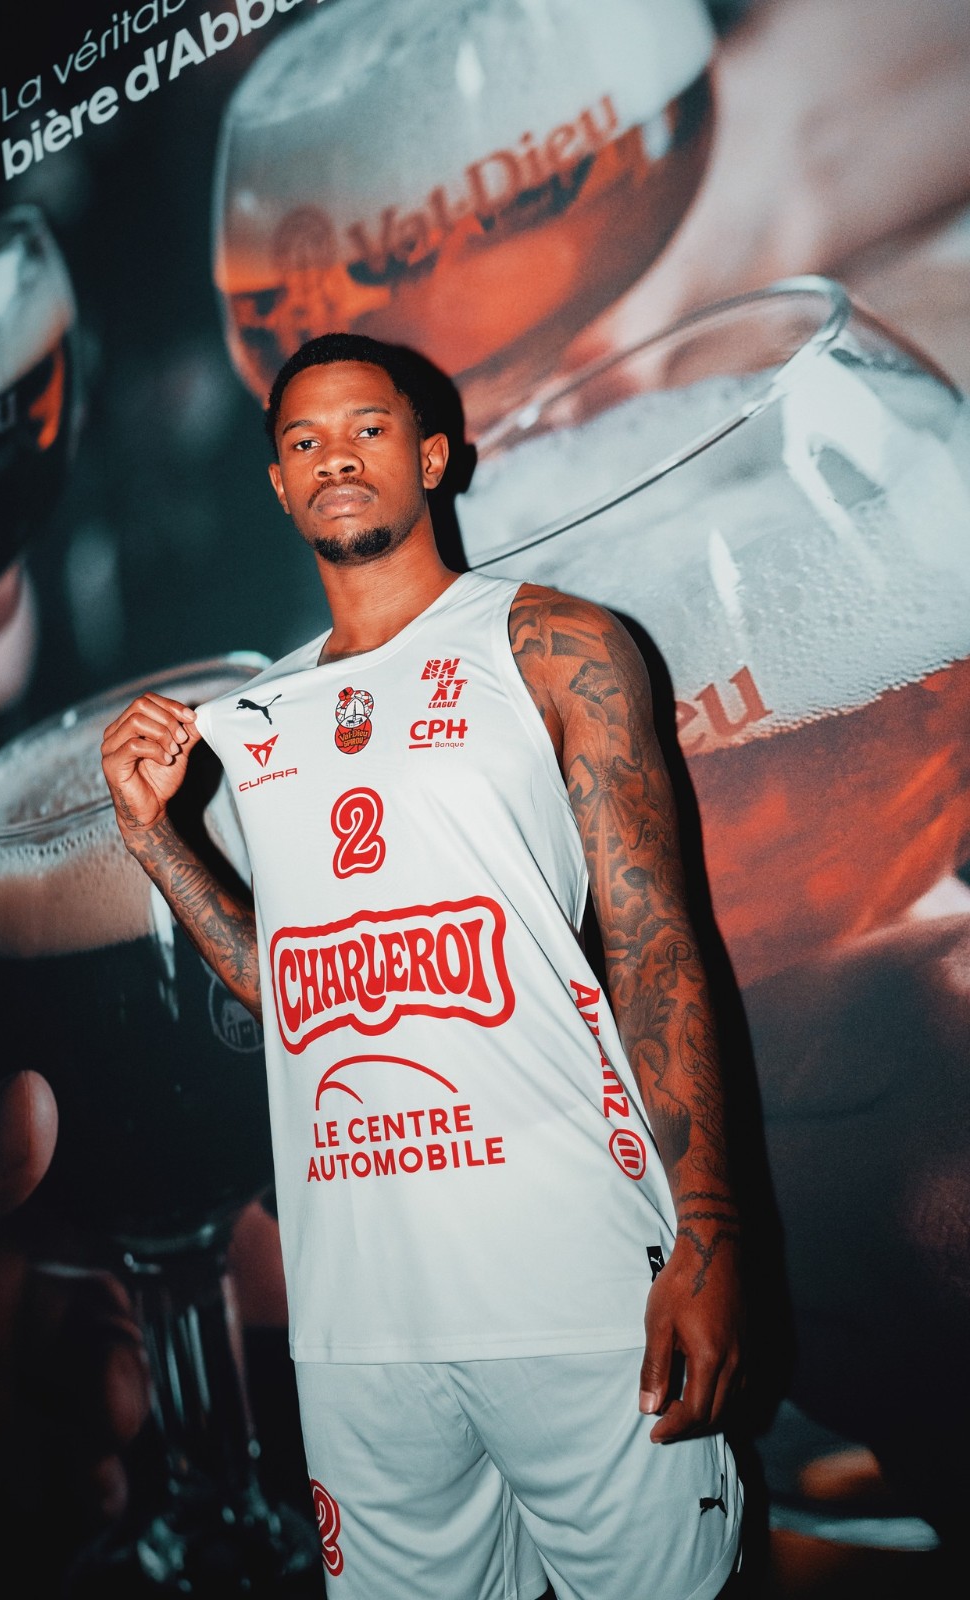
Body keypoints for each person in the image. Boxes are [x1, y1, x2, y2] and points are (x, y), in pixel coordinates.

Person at [101, 332, 744, 1600]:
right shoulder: (254, 723)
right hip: (360, 1332)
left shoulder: (555, 644)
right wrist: (153, 837)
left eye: (368, 428)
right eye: (303, 441)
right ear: (278, 485)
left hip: (572, 1287)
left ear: (434, 455)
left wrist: (713, 1232)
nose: (334, 456)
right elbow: (285, 987)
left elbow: (656, 941)